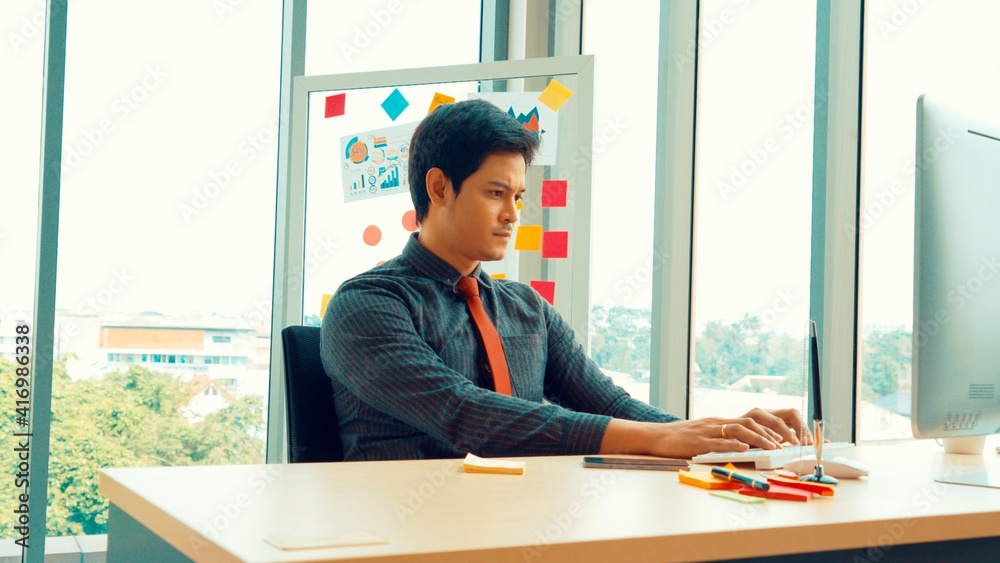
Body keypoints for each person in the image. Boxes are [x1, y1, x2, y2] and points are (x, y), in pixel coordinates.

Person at [320, 98, 809, 461]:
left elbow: (611, 404)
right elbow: (464, 415)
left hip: (525, 524)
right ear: (439, 187)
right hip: (407, 537)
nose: (513, 214)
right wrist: (665, 438)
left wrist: (725, 436)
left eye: (518, 196)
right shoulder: (367, 305)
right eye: (496, 193)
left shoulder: (524, 307)